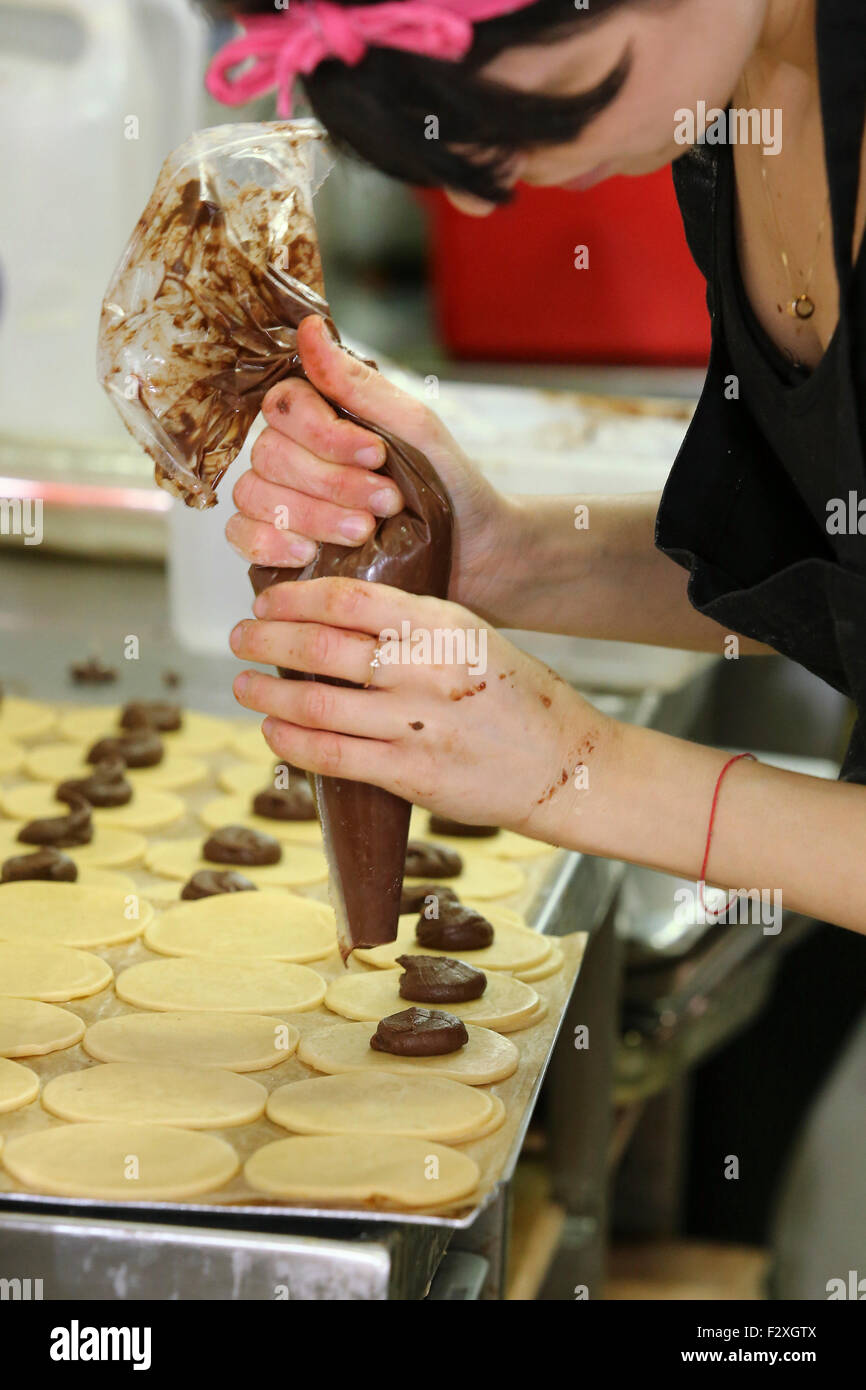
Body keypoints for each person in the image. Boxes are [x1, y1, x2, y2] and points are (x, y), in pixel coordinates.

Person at [204, 0, 865, 1298]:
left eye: (537, 116)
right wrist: (511, 552)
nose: (510, 202)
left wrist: (580, 773)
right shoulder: (734, 87)